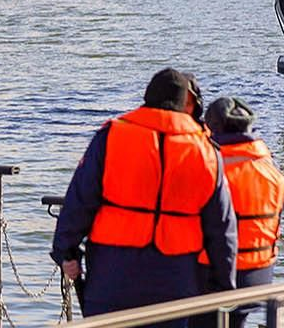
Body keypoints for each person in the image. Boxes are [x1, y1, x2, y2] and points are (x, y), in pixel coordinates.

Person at [51, 68, 238, 328]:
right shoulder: (206, 151)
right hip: (175, 277)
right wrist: (224, 283)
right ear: (185, 104)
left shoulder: (111, 136)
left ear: (147, 97)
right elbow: (222, 226)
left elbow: (79, 202)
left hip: (111, 273)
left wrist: (66, 251)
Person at [192, 97, 284, 328]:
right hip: (258, 274)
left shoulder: (209, 167)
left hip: (211, 277)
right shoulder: (270, 168)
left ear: (212, 128)